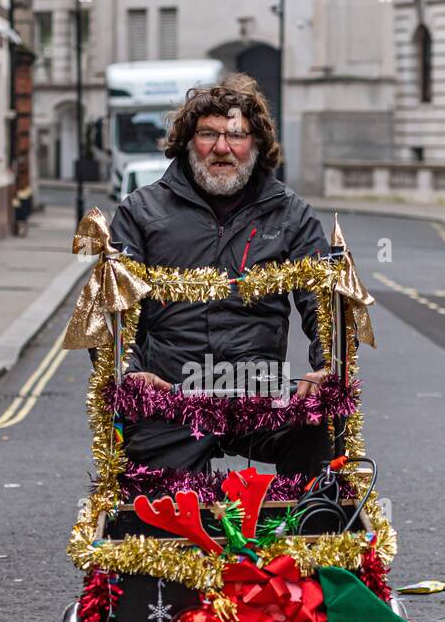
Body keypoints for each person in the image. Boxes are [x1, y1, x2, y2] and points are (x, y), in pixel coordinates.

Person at [109, 73, 332, 478]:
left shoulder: (291, 214)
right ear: (187, 142)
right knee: (154, 519)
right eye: (208, 134)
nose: (222, 148)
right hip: (171, 395)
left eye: (237, 135)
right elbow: (114, 311)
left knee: (321, 427)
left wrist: (326, 367)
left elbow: (324, 303)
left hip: (260, 392)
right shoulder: (140, 212)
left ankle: (306, 530)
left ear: (257, 144)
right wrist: (131, 373)